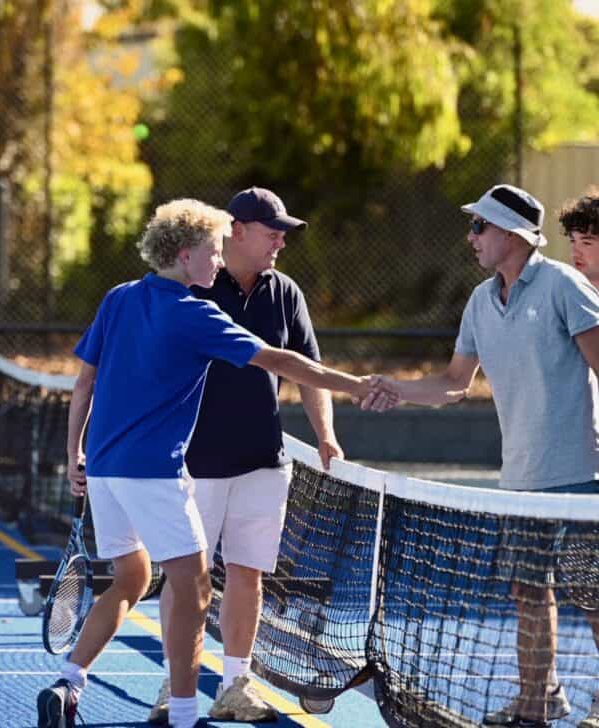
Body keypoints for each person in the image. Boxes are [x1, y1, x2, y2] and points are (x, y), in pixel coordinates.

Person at [35, 198, 398, 728]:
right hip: (153, 470)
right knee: (194, 586)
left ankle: (69, 682)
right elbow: (278, 359)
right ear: (185, 255)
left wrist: (75, 454)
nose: (219, 260)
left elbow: (84, 382)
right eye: (212, 251)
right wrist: (356, 385)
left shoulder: (120, 297)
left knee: (132, 578)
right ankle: (184, 715)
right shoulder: (194, 312)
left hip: (106, 470)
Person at [364, 184, 599, 728]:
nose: (471, 237)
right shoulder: (478, 301)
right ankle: (538, 701)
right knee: (527, 591)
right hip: (520, 477)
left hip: (581, 474)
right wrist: (397, 389)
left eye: (480, 226)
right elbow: (453, 383)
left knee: (593, 595)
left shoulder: (565, 286)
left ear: (512, 235)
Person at [149, 187, 343, 723]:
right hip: (194, 462)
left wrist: (326, 435)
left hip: (264, 461)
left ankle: (235, 685)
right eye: (271, 232)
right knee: (185, 579)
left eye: (283, 233)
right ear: (236, 230)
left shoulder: (286, 292)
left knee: (248, 574)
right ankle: (173, 683)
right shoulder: (193, 286)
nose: (281, 241)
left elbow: (309, 371)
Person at [557, 188, 599, 728]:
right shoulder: (571, 297)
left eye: (588, 240)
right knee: (590, 588)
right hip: (583, 469)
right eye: (573, 239)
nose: (576, 250)